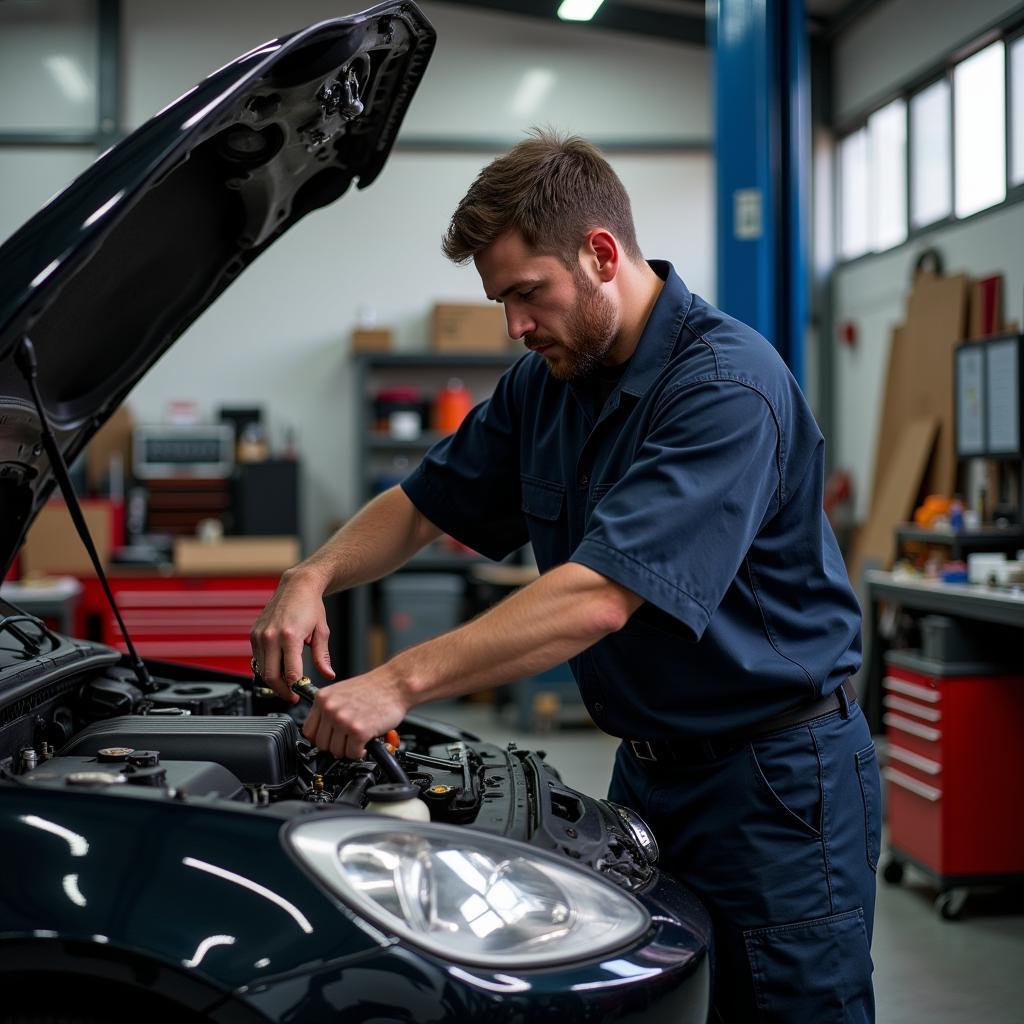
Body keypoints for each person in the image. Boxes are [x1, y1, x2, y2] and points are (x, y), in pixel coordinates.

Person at [251, 130, 880, 1023]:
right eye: (500, 300)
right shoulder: (547, 382)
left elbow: (598, 595)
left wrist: (395, 681)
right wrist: (310, 574)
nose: (512, 324)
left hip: (775, 783)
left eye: (525, 294)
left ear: (600, 254)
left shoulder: (725, 385)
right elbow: (424, 502)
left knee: (782, 1009)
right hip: (651, 769)